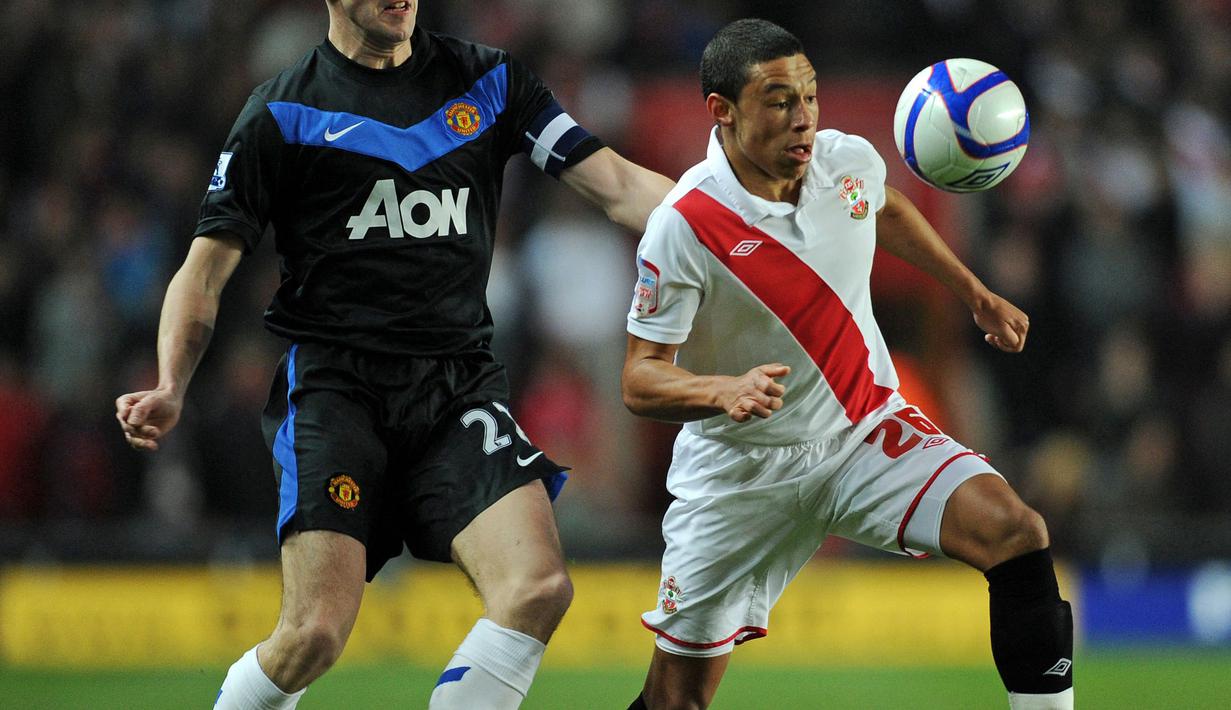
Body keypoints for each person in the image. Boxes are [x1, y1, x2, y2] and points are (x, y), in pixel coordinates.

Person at [114, 2, 673, 708]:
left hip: (456, 388)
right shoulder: (282, 112)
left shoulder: (489, 81)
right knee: (312, 635)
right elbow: (203, 270)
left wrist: (742, 226)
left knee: (537, 588)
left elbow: (620, 185)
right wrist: (171, 381)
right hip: (337, 394)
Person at [621, 19, 1073, 710]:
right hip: (739, 473)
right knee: (675, 699)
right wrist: (720, 389)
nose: (802, 119)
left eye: (809, 96)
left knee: (1015, 532)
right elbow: (639, 375)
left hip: (862, 432)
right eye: (778, 100)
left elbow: (881, 209)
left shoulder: (844, 161)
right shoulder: (685, 224)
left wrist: (970, 291)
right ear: (722, 110)